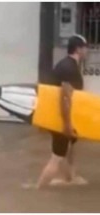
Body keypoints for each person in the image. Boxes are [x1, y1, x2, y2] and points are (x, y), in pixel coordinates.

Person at [37, 35, 88, 188]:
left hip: (67, 117)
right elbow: (65, 98)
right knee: (57, 156)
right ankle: (38, 189)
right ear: (78, 49)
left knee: (71, 147)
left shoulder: (71, 65)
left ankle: (70, 178)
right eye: (85, 47)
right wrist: (66, 124)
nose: (87, 50)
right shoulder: (68, 68)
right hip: (60, 119)